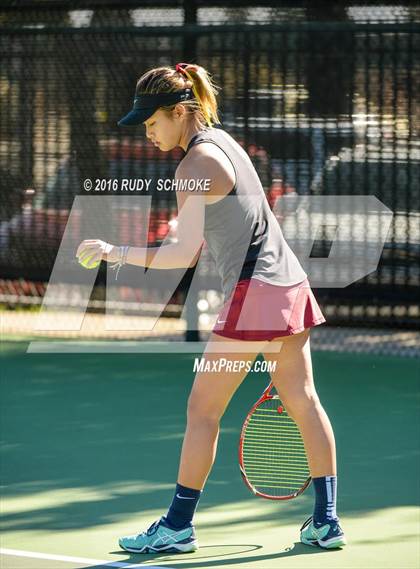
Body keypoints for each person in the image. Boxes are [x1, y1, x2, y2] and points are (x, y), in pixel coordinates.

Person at [76, 63, 346, 553]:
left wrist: (115, 252)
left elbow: (180, 257)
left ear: (180, 112)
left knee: (202, 411)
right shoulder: (229, 144)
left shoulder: (194, 167)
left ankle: (177, 526)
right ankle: (327, 521)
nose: (149, 133)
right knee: (304, 400)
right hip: (289, 288)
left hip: (253, 297)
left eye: (153, 122)